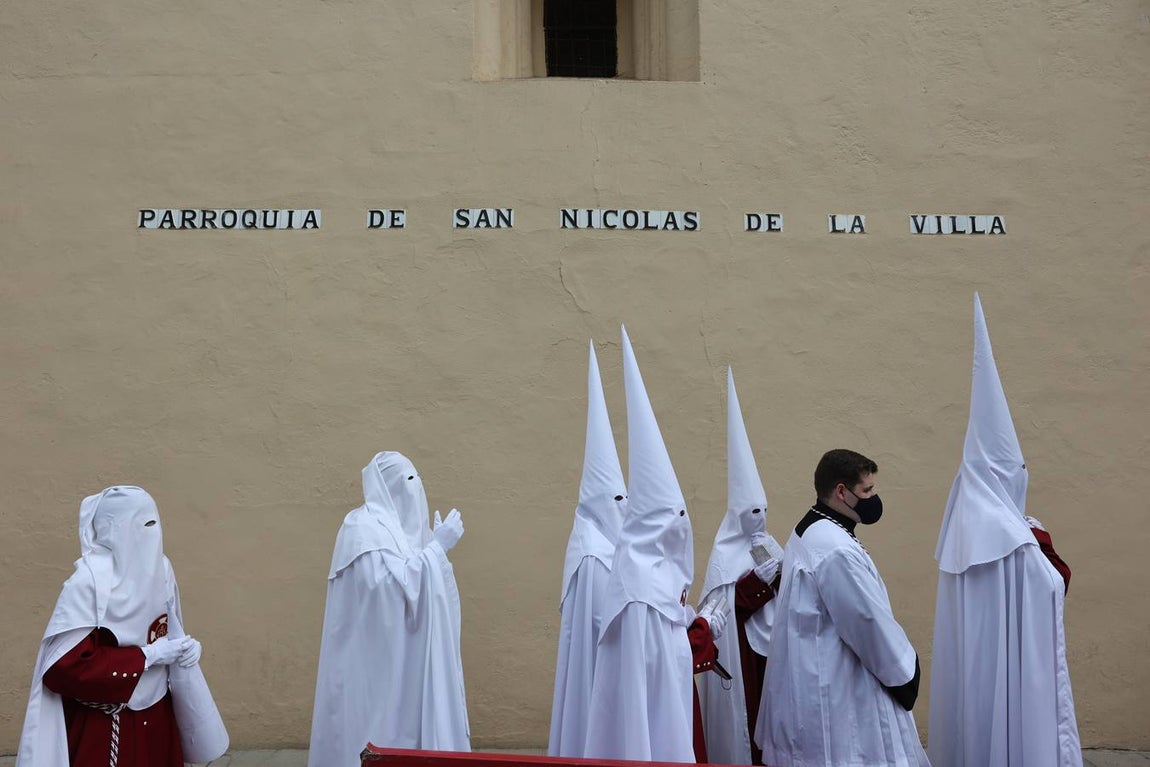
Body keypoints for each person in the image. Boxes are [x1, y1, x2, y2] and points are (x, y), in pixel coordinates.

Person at [928, 294, 1081, 767]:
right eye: (1013, 467)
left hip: (984, 673)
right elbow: (1051, 585)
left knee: (976, 720)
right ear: (997, 472)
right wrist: (1043, 552)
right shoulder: (1009, 532)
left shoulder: (968, 524)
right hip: (1017, 678)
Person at [583, 327, 723, 763]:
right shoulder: (637, 592)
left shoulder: (653, 582)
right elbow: (642, 697)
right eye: (673, 518)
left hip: (674, 719)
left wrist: (696, 624)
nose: (682, 528)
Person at [16, 486, 227, 767]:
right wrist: (146, 657)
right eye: (141, 523)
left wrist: (184, 649)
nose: (151, 532)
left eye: (153, 522)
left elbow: (167, 625)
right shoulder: (88, 581)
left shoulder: (161, 567)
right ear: (113, 529)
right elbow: (62, 669)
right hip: (106, 723)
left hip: (157, 713)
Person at [756, 449, 929, 767]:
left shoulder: (812, 528)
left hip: (818, 674)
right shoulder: (835, 549)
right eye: (866, 491)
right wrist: (905, 672)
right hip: (838, 688)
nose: (873, 497)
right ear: (841, 492)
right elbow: (865, 620)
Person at [309, 452, 470, 767]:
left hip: (400, 669)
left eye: (417, 480)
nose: (414, 489)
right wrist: (437, 550)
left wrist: (433, 552)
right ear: (383, 486)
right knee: (373, 734)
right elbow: (384, 593)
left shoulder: (396, 532)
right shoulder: (362, 529)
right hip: (371, 671)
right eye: (406, 481)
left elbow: (411, 580)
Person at [697, 368, 783, 766]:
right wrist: (755, 585)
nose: (759, 517)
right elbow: (722, 610)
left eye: (763, 510)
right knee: (747, 726)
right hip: (743, 654)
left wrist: (779, 575)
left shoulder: (767, 543)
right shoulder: (724, 554)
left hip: (773, 651)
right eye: (753, 511)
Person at [548, 341, 628, 757]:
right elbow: (609, 623)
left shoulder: (600, 547)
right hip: (599, 670)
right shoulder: (594, 555)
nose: (625, 508)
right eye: (617, 500)